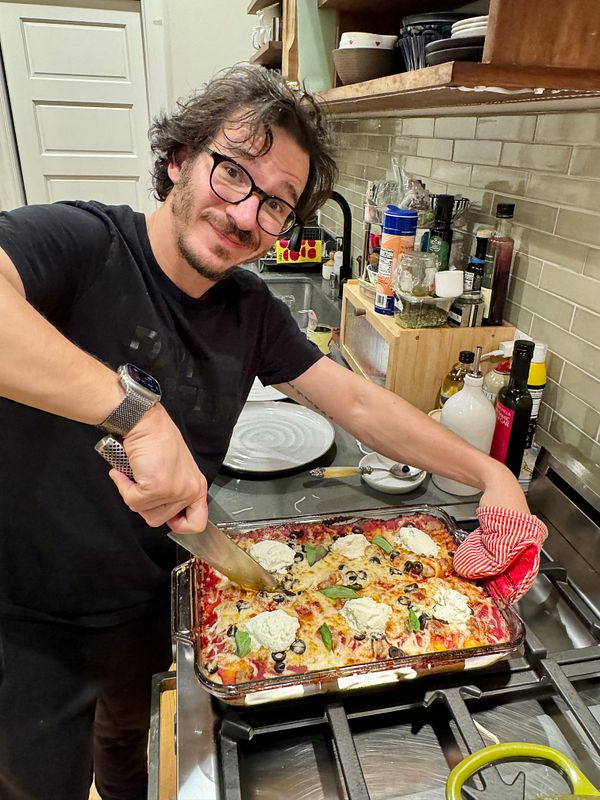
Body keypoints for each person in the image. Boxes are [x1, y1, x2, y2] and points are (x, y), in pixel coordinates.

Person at [0, 64, 546, 800]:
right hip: (25, 618)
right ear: (179, 159)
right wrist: (134, 411)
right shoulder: (82, 242)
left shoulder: (249, 309)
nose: (246, 214)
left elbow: (356, 402)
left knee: (127, 741)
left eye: (277, 204)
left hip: (148, 593)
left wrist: (492, 475)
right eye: (232, 174)